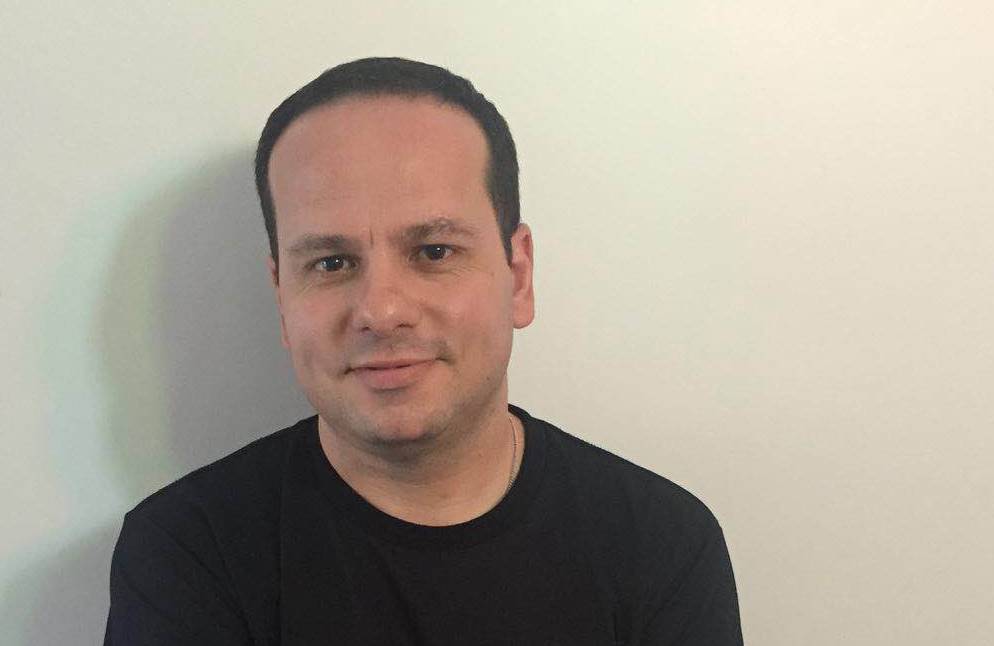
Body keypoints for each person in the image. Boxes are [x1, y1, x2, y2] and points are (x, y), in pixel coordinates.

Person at [104, 57, 743, 645]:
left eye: (434, 252)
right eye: (331, 262)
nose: (382, 311)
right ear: (282, 298)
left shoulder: (662, 544)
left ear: (518, 275)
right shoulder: (186, 554)